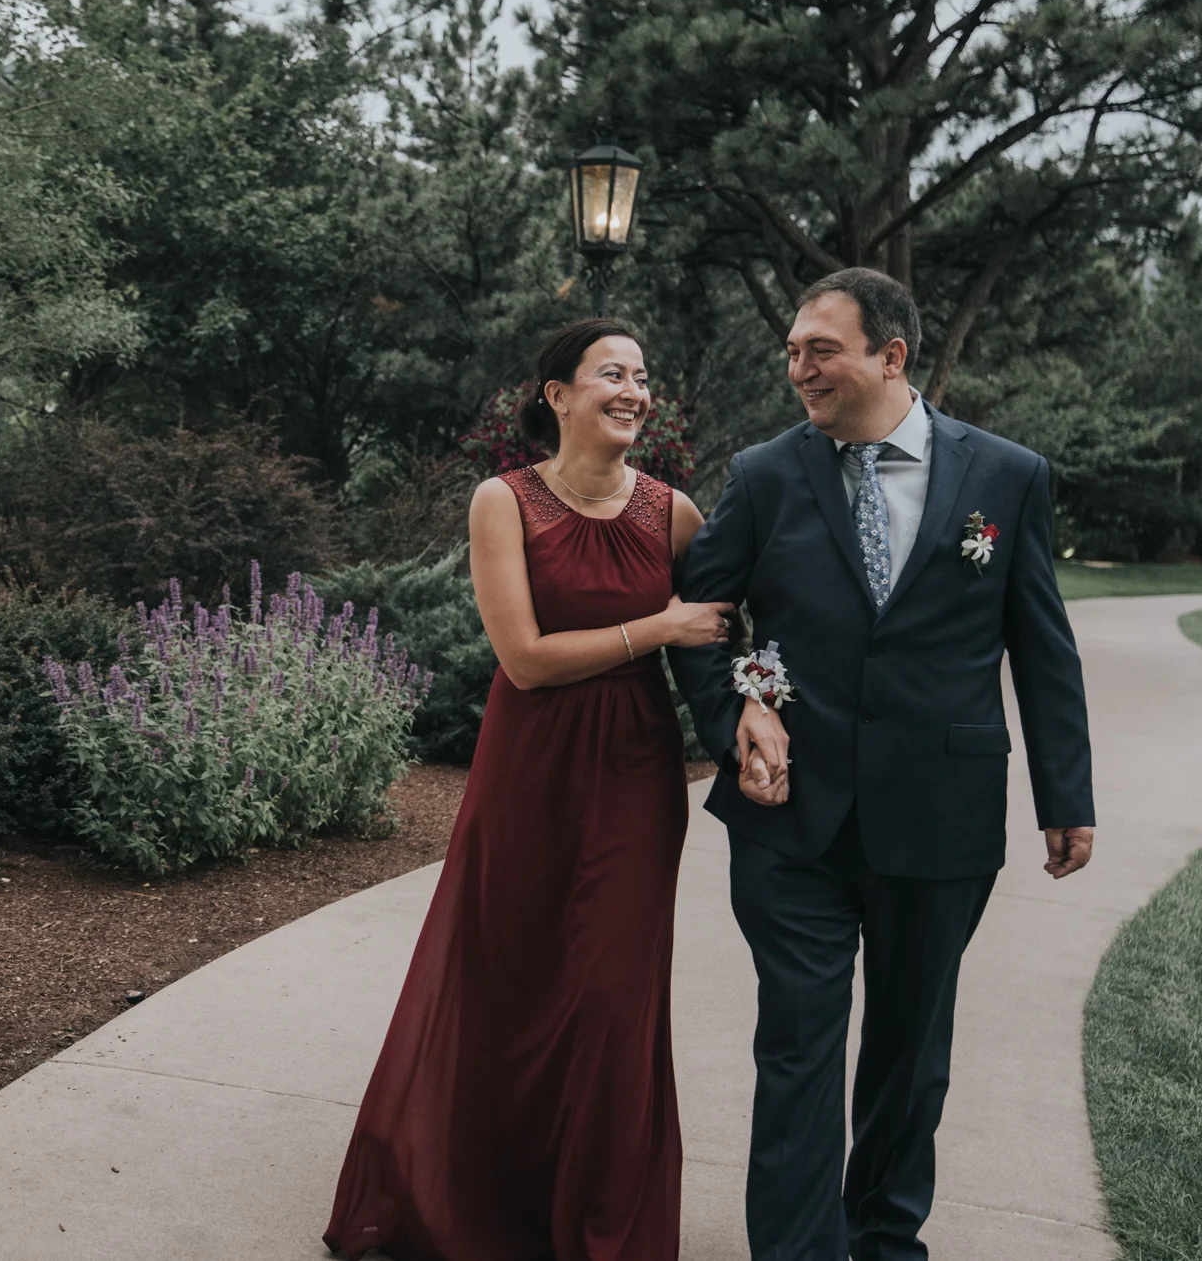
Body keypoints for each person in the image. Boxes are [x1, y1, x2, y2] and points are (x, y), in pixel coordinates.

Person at [669, 266, 1097, 1261]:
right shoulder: (764, 475)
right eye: (790, 351)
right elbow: (700, 620)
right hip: (789, 817)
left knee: (910, 1055)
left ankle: (882, 1240)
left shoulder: (1006, 477)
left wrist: (1064, 794)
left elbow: (1042, 647)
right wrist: (738, 713)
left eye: (819, 350)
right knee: (797, 1046)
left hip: (941, 814)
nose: (798, 369)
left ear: (891, 355)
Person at [324, 318, 740, 1261]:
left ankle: (601, 1224)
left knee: (613, 996)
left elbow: (725, 631)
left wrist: (754, 715)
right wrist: (657, 628)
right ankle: (490, 1205)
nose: (634, 391)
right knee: (507, 974)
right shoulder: (503, 501)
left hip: (635, 775)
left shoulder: (674, 513)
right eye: (611, 373)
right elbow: (525, 658)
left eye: (642, 376)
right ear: (558, 394)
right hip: (529, 768)